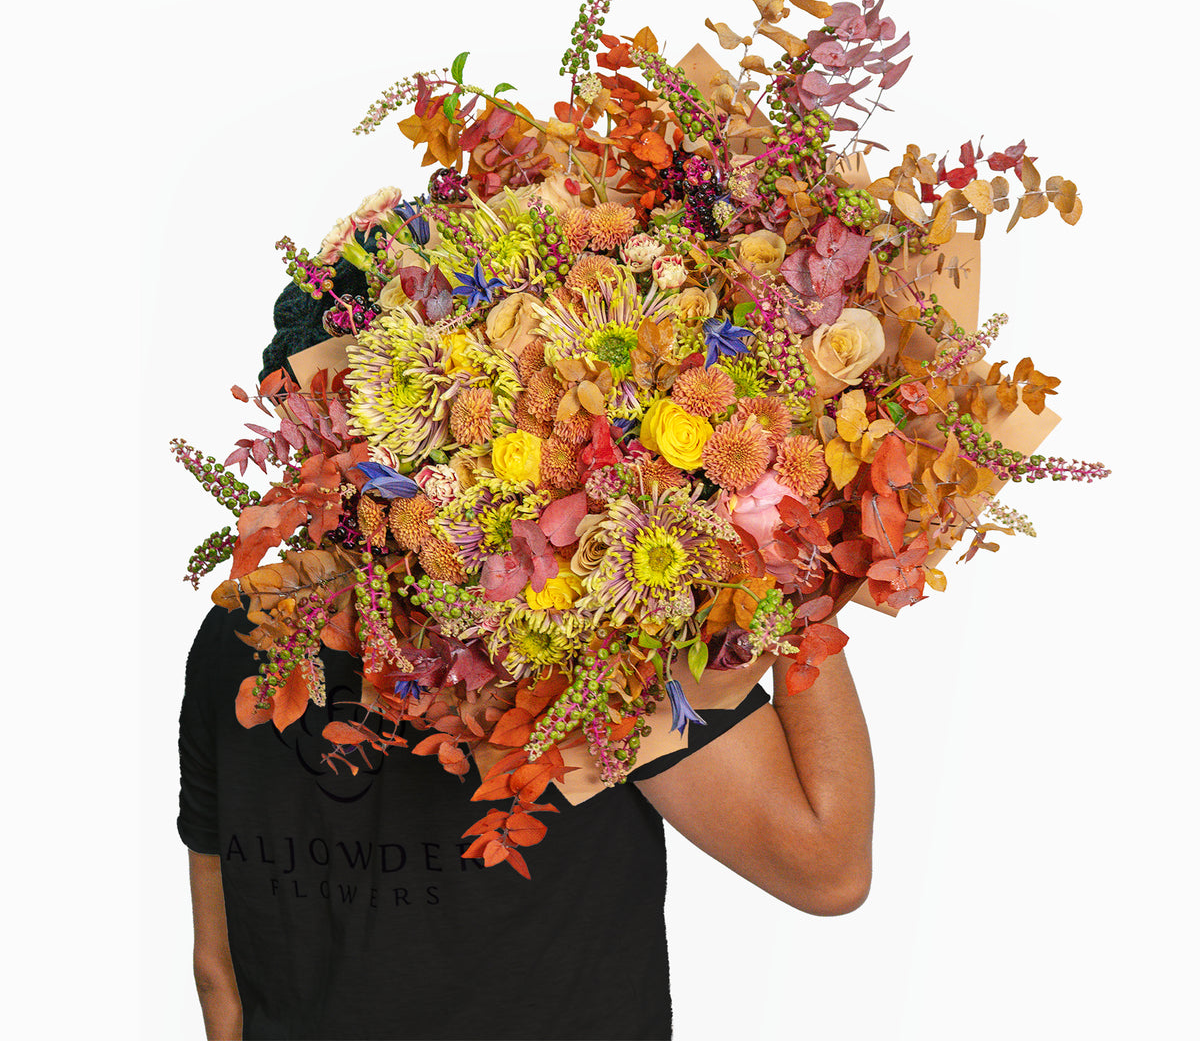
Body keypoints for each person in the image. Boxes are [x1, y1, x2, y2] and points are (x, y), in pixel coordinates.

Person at [179, 238, 876, 1041]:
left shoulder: (233, 633)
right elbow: (830, 867)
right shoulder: (568, 638)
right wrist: (783, 542)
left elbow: (216, 971)